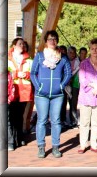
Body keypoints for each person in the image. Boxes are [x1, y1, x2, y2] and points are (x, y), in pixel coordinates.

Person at [30, 30, 72, 158]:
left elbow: (68, 73)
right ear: (46, 42)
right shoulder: (40, 56)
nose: (52, 41)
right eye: (49, 39)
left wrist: (61, 86)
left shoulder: (63, 57)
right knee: (41, 120)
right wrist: (39, 87)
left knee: (56, 121)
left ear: (57, 40)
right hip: (41, 94)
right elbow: (33, 73)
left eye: (54, 39)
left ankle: (55, 147)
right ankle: (41, 147)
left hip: (57, 95)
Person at [77, 38, 97, 154]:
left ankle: (94, 144)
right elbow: (82, 79)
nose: (95, 51)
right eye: (92, 49)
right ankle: (83, 144)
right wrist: (93, 86)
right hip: (86, 95)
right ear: (89, 50)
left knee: (96, 122)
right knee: (84, 122)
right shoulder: (84, 63)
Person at [8, 37, 34, 151]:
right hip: (11, 90)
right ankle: (11, 140)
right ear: (14, 46)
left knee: (20, 116)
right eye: (20, 44)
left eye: (23, 44)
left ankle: (20, 137)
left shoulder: (29, 59)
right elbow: (4, 72)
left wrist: (27, 75)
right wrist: (17, 73)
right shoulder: (7, 58)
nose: (22, 46)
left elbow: (34, 73)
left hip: (24, 90)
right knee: (11, 117)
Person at [67, 46, 80, 128]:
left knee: (73, 103)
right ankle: (64, 120)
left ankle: (74, 120)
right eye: (70, 52)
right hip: (65, 84)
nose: (72, 54)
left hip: (75, 84)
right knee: (65, 103)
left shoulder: (78, 62)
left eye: (73, 52)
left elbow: (76, 71)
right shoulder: (64, 60)